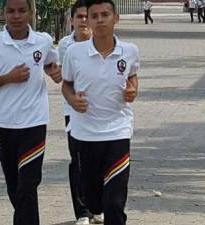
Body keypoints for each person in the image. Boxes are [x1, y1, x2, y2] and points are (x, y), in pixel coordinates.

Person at [0, 0, 62, 224]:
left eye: (22, 11)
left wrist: (54, 72)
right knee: (15, 186)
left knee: (28, 184)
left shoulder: (43, 40)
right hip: (3, 125)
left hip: (34, 123)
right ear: (3, 13)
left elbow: (50, 61)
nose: (16, 16)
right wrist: (7, 78)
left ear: (31, 12)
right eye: (11, 11)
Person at [61, 0, 139, 224]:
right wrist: (73, 99)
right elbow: (66, 84)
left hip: (118, 131)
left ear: (116, 18)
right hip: (85, 133)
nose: (99, 19)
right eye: (94, 16)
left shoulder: (130, 51)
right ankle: (92, 207)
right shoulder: (74, 52)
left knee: (114, 202)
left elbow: (132, 77)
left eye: (105, 14)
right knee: (94, 201)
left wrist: (133, 89)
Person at [56, 1, 102, 225]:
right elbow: (65, 79)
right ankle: (82, 211)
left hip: (102, 111)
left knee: (99, 160)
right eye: (80, 17)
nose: (84, 21)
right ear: (72, 20)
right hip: (73, 111)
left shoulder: (103, 42)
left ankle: (97, 207)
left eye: (87, 17)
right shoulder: (65, 46)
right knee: (78, 160)